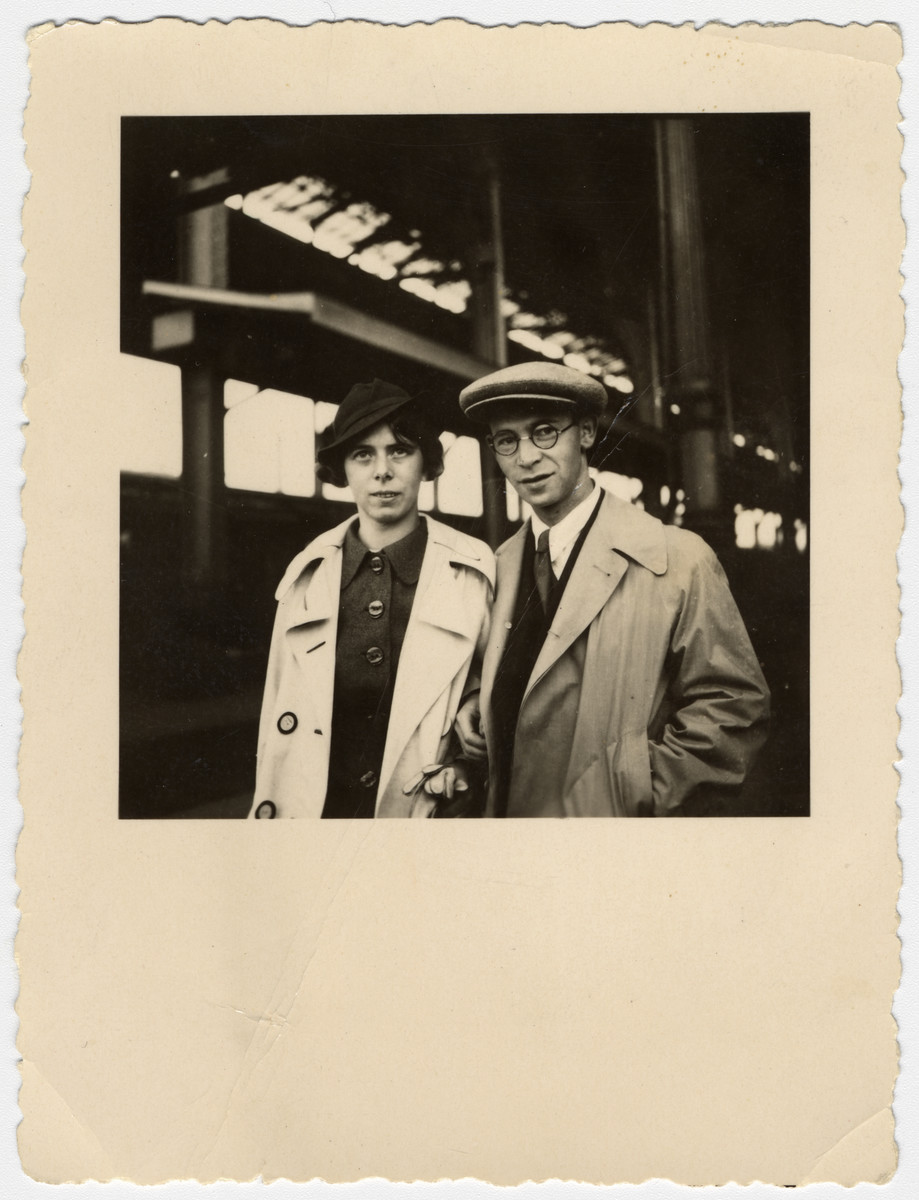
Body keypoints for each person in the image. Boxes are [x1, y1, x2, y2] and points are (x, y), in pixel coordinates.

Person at [455, 361, 770, 818]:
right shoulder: (498, 566)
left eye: (544, 431)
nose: (525, 457)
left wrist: (629, 795)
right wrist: (474, 703)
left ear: (586, 432)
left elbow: (733, 709)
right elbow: (502, 671)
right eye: (507, 440)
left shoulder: (678, 559)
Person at [250, 379, 493, 819]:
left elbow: (496, 700)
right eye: (363, 454)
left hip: (422, 813)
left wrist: (467, 764)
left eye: (399, 450)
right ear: (343, 470)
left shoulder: (474, 570)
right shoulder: (307, 575)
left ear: (426, 463)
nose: (382, 471)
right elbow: (275, 714)